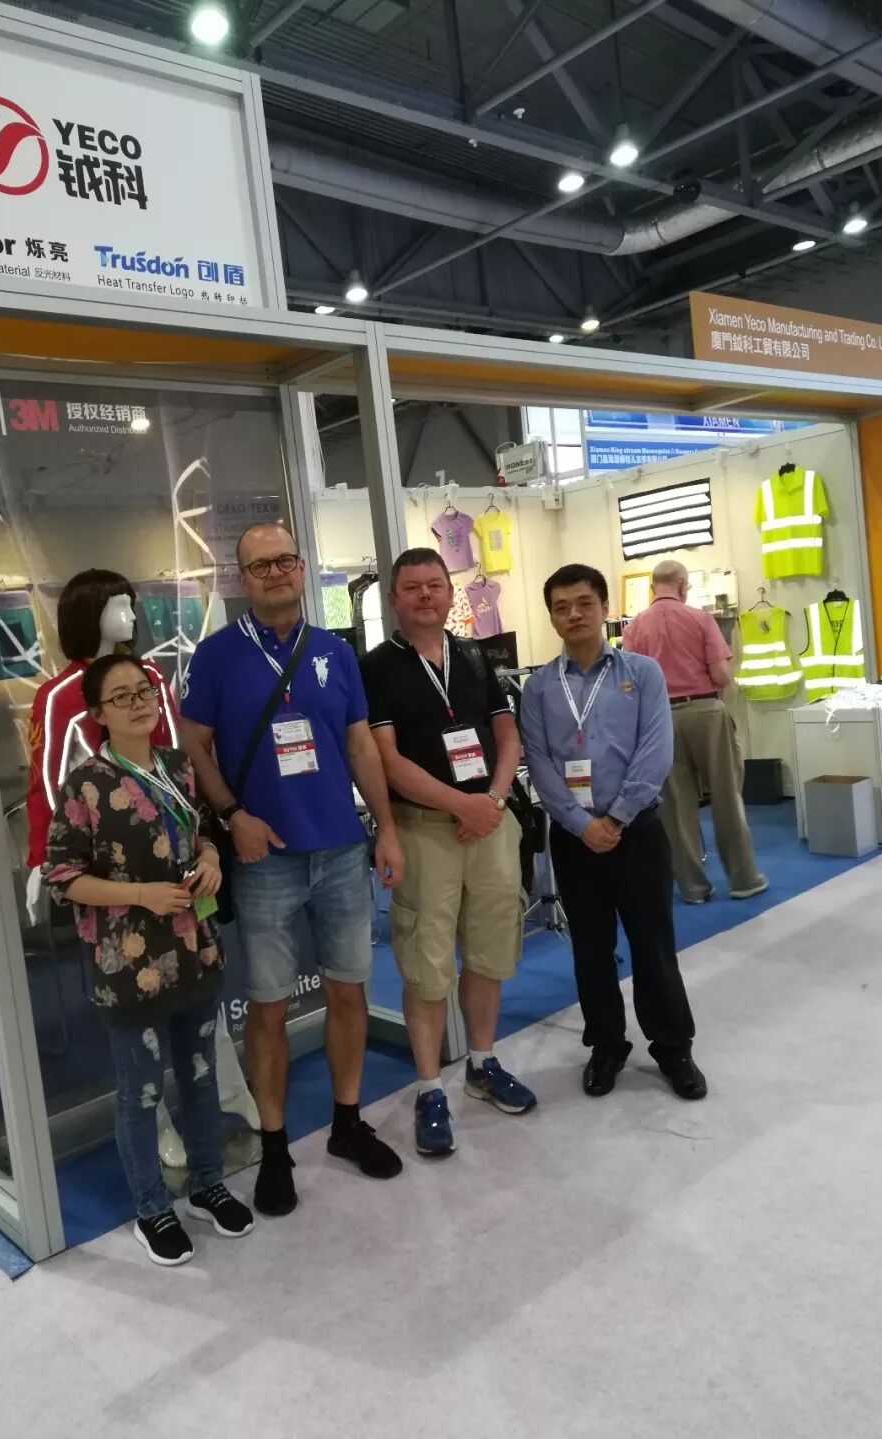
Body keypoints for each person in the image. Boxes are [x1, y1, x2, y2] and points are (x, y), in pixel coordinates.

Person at [180, 523, 404, 1218]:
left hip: (340, 851)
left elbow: (360, 746)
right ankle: (275, 1146)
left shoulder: (336, 651)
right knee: (269, 1006)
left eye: (285, 560)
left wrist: (386, 827)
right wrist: (232, 813)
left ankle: (347, 1123)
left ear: (302, 568)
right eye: (260, 565)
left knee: (349, 992)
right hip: (264, 859)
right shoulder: (217, 656)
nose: (275, 572)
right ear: (242, 579)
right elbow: (193, 744)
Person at [45, 654, 254, 1267]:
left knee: (201, 1075)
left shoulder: (178, 767)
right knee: (139, 1090)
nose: (139, 704)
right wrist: (140, 895)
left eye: (144, 691)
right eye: (122, 697)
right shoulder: (86, 785)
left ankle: (207, 1184)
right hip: (129, 965)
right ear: (97, 714)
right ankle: (151, 1207)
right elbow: (63, 877)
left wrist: (210, 858)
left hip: (195, 949)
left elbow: (201, 831)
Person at [360, 548, 536, 1158]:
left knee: (489, 950)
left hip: (489, 823)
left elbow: (506, 733)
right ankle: (430, 1088)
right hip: (425, 829)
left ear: (449, 592)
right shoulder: (376, 667)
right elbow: (386, 760)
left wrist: (492, 799)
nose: (426, 596)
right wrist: (461, 805)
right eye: (412, 588)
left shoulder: (474, 655)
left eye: (435, 585)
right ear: (394, 600)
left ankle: (482, 1063)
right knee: (427, 964)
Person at [520, 564, 707, 1102]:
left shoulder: (642, 673)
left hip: (637, 832)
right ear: (552, 617)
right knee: (590, 948)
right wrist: (582, 825)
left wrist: (616, 818)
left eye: (584, 603)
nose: (574, 615)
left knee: (653, 943)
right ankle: (605, 1045)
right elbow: (539, 764)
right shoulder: (539, 687)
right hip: (574, 839)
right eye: (561, 607)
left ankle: (673, 1046)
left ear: (605, 608)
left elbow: (656, 752)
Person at [622, 560, 768, 905]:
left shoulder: (635, 627)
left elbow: (631, 684)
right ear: (683, 586)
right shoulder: (700, 619)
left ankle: (693, 888)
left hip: (659, 720)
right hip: (705, 713)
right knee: (727, 796)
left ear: (652, 588)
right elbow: (720, 676)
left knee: (674, 806)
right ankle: (744, 879)